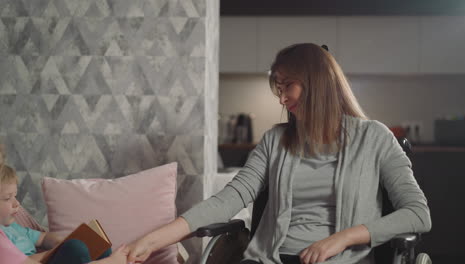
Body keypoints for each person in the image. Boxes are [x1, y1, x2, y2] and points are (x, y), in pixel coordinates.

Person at [127, 43, 431, 264]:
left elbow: (418, 214)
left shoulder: (375, 138)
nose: (283, 99)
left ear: (316, 83)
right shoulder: (275, 141)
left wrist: (345, 237)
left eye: (288, 86)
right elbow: (226, 201)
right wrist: (152, 240)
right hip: (270, 259)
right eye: (278, 88)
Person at [0, 146, 129, 264]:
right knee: (75, 247)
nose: (17, 203)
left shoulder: (14, 228)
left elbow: (43, 236)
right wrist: (59, 249)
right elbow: (25, 261)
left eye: (15, 196)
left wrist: (60, 241)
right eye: (7, 198)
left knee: (98, 245)